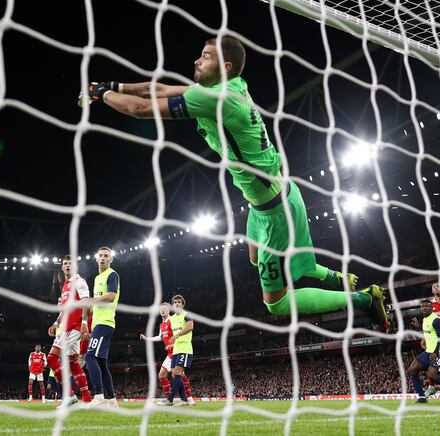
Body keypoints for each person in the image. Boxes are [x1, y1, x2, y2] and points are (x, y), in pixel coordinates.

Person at [82, 37, 388, 329]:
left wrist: (100, 95)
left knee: (276, 304)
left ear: (225, 67)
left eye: (206, 56)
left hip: (274, 214)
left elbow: (140, 109)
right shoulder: (234, 86)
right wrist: (113, 85)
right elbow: (159, 88)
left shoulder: (218, 100)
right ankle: (338, 279)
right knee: (256, 259)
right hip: (277, 195)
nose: (196, 60)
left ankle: (363, 300)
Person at [46, 255, 91, 407]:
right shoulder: (65, 285)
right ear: (62, 267)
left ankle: (69, 395)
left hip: (74, 328)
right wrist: (55, 322)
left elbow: (86, 303)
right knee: (74, 364)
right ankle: (86, 398)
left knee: (51, 358)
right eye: (65, 264)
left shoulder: (79, 282)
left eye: (70, 264)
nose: (67, 266)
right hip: (66, 327)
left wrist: (84, 323)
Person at [82, 247, 120, 409]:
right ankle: (111, 400)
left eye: (106, 256)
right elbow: (93, 306)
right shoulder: (97, 278)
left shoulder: (112, 274)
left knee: (90, 357)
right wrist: (84, 322)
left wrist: (90, 299)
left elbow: (111, 297)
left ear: (110, 260)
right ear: (97, 259)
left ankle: (98, 396)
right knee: (101, 362)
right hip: (98, 323)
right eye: (101, 256)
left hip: (105, 323)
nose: (103, 258)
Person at [140, 302, 193, 404]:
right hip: (170, 354)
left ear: (169, 310)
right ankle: (173, 399)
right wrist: (147, 339)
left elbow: (179, 334)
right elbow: (160, 337)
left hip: (177, 351)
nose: (162, 310)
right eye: (161, 309)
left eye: (165, 308)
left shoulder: (173, 321)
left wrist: (174, 345)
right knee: (162, 375)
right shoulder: (162, 324)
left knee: (177, 375)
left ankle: (188, 398)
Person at [157, 295, 194, 406]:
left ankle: (170, 399)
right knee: (174, 375)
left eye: (179, 302)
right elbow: (167, 334)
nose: (177, 304)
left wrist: (176, 336)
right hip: (175, 350)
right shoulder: (172, 319)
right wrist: (170, 344)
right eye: (175, 302)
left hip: (185, 348)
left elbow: (190, 327)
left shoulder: (186, 315)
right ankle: (184, 400)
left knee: (177, 373)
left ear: (182, 304)